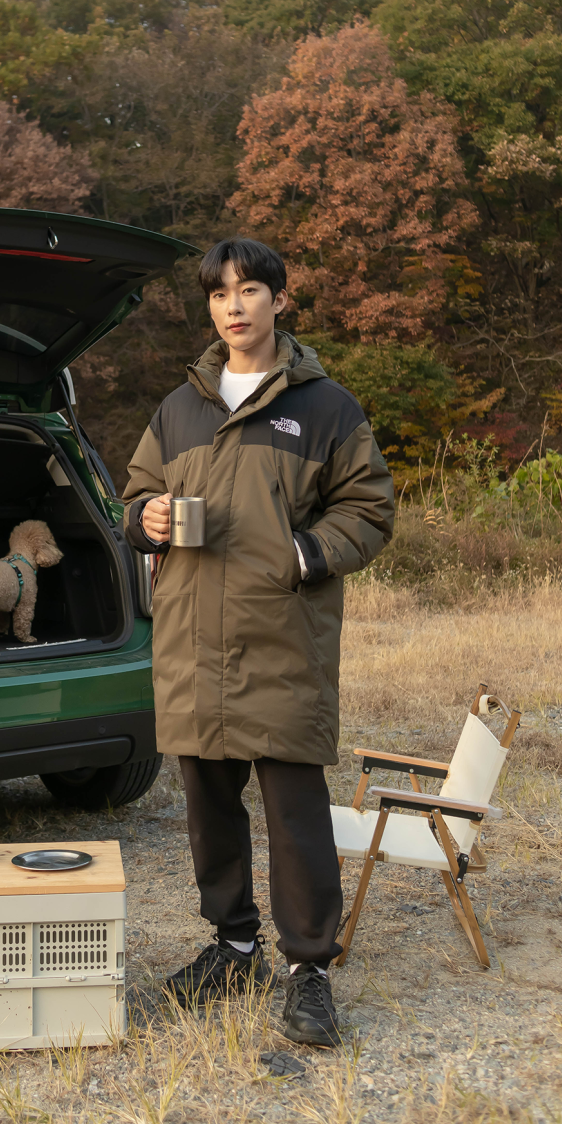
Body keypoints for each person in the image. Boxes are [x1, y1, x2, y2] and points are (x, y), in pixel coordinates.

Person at [123, 238, 395, 1046]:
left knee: (295, 814)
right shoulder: (179, 408)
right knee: (208, 809)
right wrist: (148, 519)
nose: (233, 306)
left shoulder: (327, 406)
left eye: (248, 290)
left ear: (281, 298)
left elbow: (369, 508)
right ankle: (233, 945)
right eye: (218, 295)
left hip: (281, 637)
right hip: (192, 641)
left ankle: (308, 969)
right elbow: (135, 494)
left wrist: (304, 554)